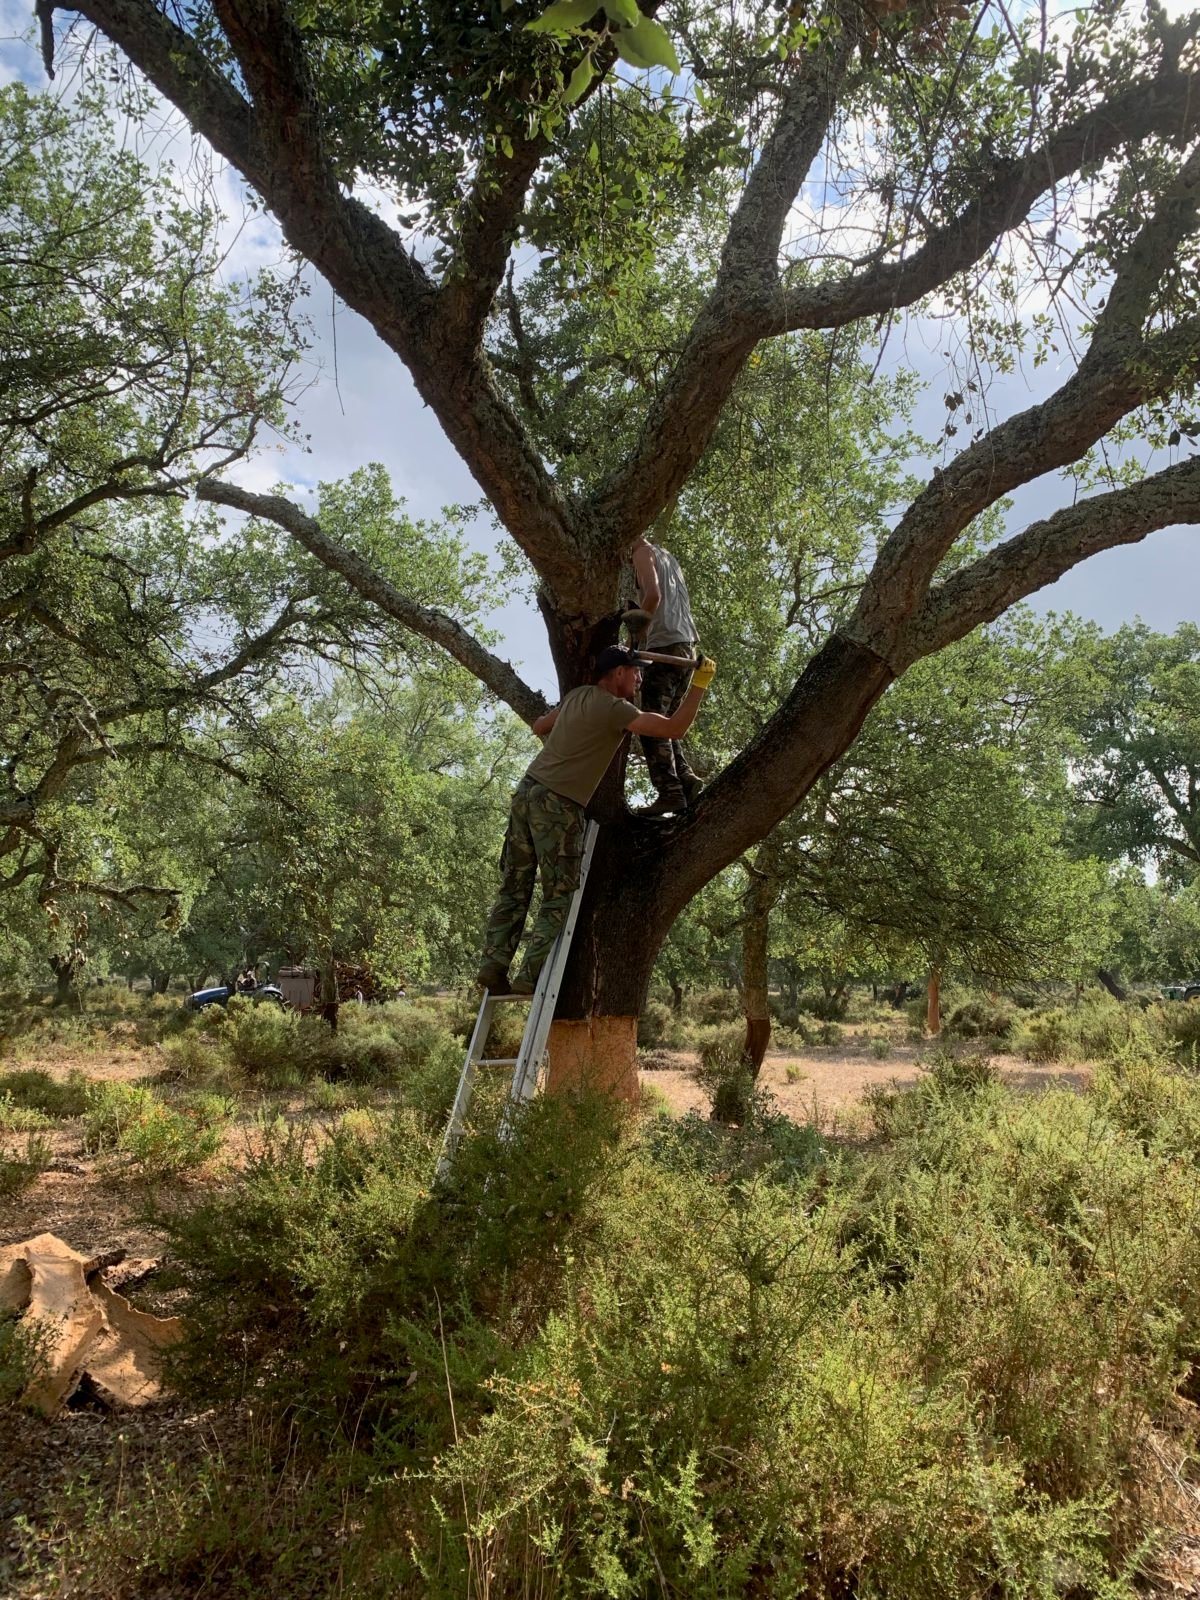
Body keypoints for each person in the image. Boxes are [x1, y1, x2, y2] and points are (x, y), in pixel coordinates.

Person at [476, 644, 717, 994]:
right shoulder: (615, 708)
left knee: (515, 885)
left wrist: (571, 742)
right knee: (559, 894)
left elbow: (540, 725)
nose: (639, 678)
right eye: (635, 672)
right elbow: (674, 729)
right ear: (618, 672)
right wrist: (700, 684)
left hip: (527, 791)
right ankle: (529, 978)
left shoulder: (577, 696)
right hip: (558, 803)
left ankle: (493, 966)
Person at [628, 535, 705, 815]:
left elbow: (653, 596)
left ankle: (669, 792)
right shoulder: (667, 556)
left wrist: (636, 639)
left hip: (666, 646)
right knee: (668, 724)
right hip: (687, 649)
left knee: (650, 723)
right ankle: (685, 780)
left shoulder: (641, 553)